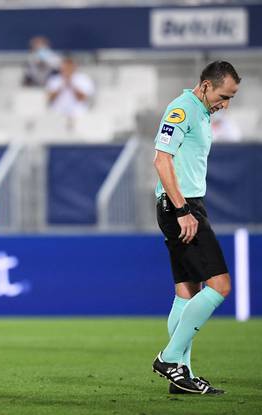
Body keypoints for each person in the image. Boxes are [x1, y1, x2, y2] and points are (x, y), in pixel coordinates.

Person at [151, 61, 240, 395]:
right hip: (180, 206)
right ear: (205, 85)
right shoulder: (181, 109)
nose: (225, 104)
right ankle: (170, 358)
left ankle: (181, 376)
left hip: (184, 204)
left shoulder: (201, 113)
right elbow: (162, 159)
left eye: (230, 98)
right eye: (223, 95)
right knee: (220, 286)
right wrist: (183, 210)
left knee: (186, 292)